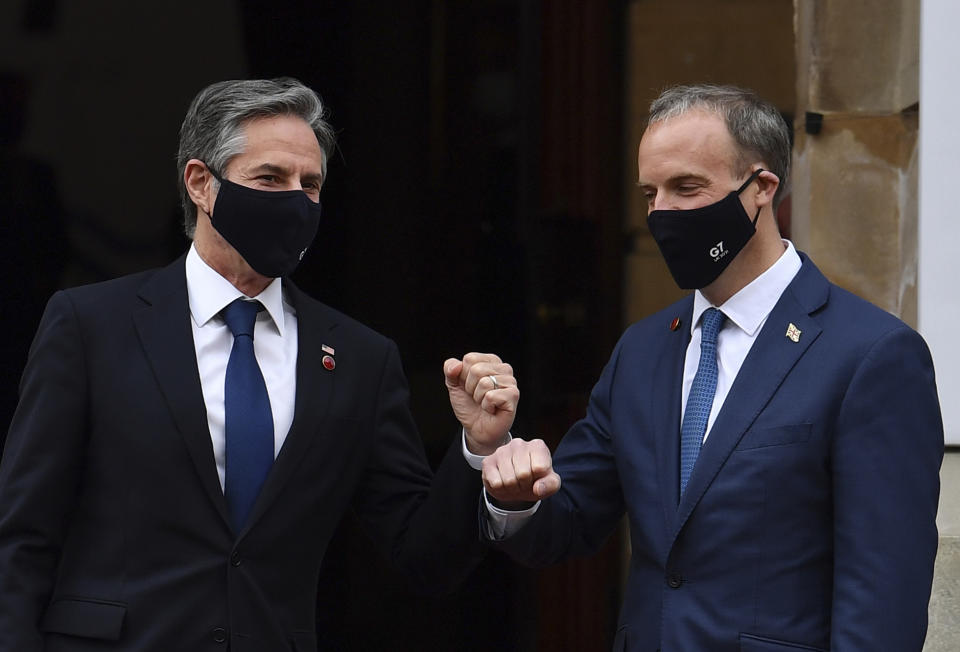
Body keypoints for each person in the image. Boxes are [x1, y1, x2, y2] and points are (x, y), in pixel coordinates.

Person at [0, 77, 517, 651]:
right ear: (201, 183)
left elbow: (424, 557)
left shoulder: (359, 359)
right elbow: (23, 537)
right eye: (270, 178)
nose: (296, 199)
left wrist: (478, 448)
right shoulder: (91, 325)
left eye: (311, 184)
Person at [479, 84, 943, 651]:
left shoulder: (871, 355)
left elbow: (882, 598)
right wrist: (514, 493)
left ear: (761, 189)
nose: (661, 213)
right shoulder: (642, 351)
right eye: (650, 193)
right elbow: (569, 520)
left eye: (686, 188)